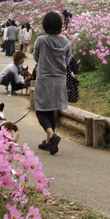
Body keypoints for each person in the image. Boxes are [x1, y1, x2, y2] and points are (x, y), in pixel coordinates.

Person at [33, 11, 72, 155]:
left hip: (44, 80)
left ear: (45, 25)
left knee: (40, 111)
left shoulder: (41, 40)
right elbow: (67, 61)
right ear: (60, 26)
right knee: (51, 111)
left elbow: (36, 56)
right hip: (60, 80)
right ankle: (49, 142)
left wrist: (44, 63)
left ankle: (53, 135)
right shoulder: (66, 42)